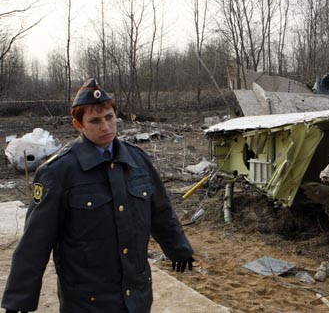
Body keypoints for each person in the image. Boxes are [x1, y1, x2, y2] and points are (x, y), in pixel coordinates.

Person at [1, 79, 195, 313]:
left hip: (137, 295)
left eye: (109, 117)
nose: (105, 126)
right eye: (95, 121)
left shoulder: (137, 161)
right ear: (78, 125)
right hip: (88, 302)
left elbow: (161, 211)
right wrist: (19, 299)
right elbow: (35, 241)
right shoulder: (59, 172)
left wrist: (179, 248)